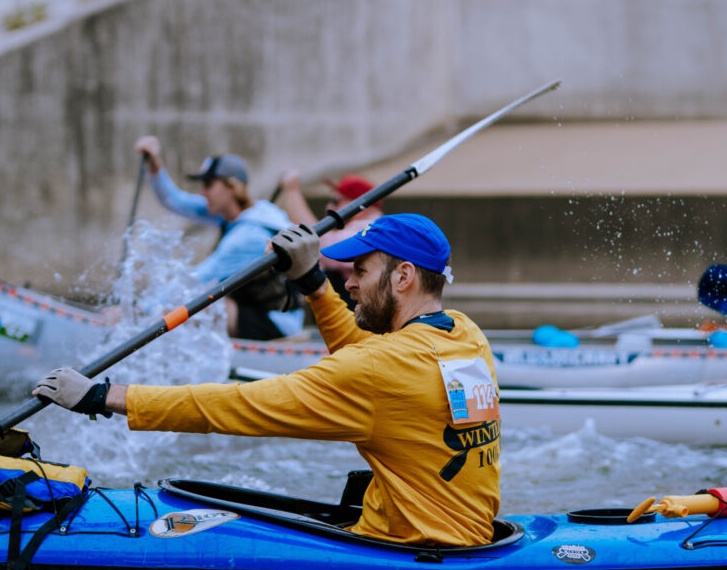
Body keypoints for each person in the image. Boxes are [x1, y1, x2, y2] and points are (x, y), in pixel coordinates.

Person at [34, 213, 502, 547]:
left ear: (403, 277)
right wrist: (312, 282)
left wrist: (104, 396)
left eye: (360, 271)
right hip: (467, 533)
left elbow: (238, 405)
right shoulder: (465, 334)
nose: (351, 283)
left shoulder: (380, 368)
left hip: (412, 548)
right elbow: (369, 363)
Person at [133, 135, 303, 340]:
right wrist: (154, 164)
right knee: (190, 305)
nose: (203, 192)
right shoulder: (233, 214)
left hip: (278, 322)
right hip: (250, 308)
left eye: (208, 184)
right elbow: (174, 200)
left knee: (205, 305)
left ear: (232, 187)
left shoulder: (248, 236)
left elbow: (197, 280)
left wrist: (140, 310)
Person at [277, 169, 384, 300]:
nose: (329, 206)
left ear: (360, 207)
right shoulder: (368, 228)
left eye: (336, 201)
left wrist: (292, 190)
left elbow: (316, 243)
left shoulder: (371, 231)